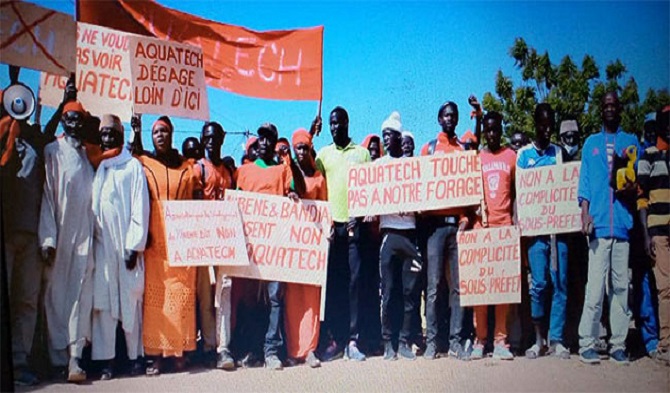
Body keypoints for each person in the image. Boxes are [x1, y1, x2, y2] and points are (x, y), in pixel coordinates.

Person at [1, 68, 66, 386]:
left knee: (26, 301)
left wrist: (65, 100)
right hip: (6, 231)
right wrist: (12, 81)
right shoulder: (4, 141)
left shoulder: (37, 143)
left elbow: (50, 127)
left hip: (30, 236)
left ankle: (20, 359)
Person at [236, 123, 306, 371]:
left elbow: (298, 190)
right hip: (252, 247)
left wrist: (293, 194)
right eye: (261, 138)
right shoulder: (244, 171)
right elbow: (236, 202)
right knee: (252, 300)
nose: (264, 143)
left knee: (275, 297)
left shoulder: (282, 170)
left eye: (269, 139)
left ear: (275, 143)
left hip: (276, 246)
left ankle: (272, 350)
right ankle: (253, 348)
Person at [577, 91, 640, 365]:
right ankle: (587, 343)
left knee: (620, 288)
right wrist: (585, 216)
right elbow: (585, 185)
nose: (610, 109)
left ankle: (617, 345)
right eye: (606, 106)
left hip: (623, 226)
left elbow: (636, 184)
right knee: (594, 288)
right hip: (599, 227)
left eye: (614, 105)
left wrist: (629, 187)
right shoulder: (591, 144)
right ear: (600, 111)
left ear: (620, 110)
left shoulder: (630, 142)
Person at [136, 116, 198, 375]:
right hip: (154, 240)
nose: (160, 135)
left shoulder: (187, 168)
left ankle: (178, 352)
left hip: (181, 240)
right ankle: (155, 355)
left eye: (164, 131)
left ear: (172, 134)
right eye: (156, 132)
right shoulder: (144, 164)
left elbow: (196, 201)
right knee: (156, 298)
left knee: (180, 295)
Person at [39, 100, 95, 382]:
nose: (75, 123)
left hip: (83, 238)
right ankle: (55, 358)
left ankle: (75, 359)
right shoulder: (53, 152)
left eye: (79, 119)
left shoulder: (86, 157)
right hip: (59, 236)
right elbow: (48, 196)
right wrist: (47, 238)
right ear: (62, 121)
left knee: (79, 296)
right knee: (56, 296)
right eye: (70, 118)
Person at [90, 114, 149, 380]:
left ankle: (135, 357)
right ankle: (106, 361)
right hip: (102, 247)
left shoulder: (132, 166)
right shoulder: (97, 165)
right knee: (103, 303)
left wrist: (134, 245)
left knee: (130, 302)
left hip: (126, 246)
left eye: (113, 133)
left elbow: (140, 205)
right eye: (104, 133)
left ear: (122, 136)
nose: (108, 137)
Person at [314, 107, 371, 362]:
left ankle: (354, 340)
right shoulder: (323, 155)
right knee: (335, 287)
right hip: (331, 230)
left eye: (338, 123)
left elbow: (371, 189)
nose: (334, 127)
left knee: (355, 283)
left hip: (354, 227)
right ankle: (336, 340)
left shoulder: (362, 154)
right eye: (331, 124)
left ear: (347, 123)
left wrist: (359, 216)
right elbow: (310, 180)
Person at [419, 101, 472, 361]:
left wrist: (465, 218)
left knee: (458, 288)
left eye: (454, 115)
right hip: (435, 228)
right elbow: (419, 187)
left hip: (457, 227)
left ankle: (455, 341)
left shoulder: (463, 150)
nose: (450, 119)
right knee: (433, 286)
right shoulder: (429, 149)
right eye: (446, 115)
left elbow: (470, 189)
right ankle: (432, 342)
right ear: (439, 118)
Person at [517, 103, 570, 360]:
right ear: (535, 124)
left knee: (559, 284)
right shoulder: (524, 156)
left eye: (550, 125)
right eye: (542, 124)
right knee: (538, 285)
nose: (546, 130)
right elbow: (520, 193)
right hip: (536, 234)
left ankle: (557, 338)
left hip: (557, 232)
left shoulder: (559, 154)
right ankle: (539, 340)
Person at [470, 111, 516, 361]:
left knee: (501, 290)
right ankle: (480, 340)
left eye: (495, 129)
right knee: (480, 289)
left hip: (504, 227)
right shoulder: (477, 158)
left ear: (501, 129)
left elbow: (520, 192)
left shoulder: (511, 157)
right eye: (487, 130)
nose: (491, 134)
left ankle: (500, 340)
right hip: (481, 229)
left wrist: (517, 222)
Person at [377, 112, 422, 361]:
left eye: (389, 135)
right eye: (383, 134)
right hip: (389, 235)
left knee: (409, 292)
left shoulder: (412, 166)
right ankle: (388, 343)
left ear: (398, 137)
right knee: (389, 290)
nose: (386, 139)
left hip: (410, 234)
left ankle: (404, 341)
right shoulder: (378, 168)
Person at [191, 121, 235, 370]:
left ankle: (224, 348)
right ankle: (209, 345)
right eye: (206, 137)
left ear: (222, 138)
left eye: (215, 137)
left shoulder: (228, 171)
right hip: (204, 241)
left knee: (224, 295)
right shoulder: (199, 169)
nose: (211, 141)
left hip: (226, 241)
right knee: (206, 297)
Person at [283, 128, 327, 368]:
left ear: (310, 150)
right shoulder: (289, 175)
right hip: (294, 247)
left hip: (313, 248)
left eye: (304, 148)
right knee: (292, 299)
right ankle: (293, 349)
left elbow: (325, 208)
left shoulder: (320, 178)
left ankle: (310, 349)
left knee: (311, 299)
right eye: (297, 148)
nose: (301, 152)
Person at [637, 106, 670, 366]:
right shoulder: (647, 156)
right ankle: (666, 343)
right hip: (658, 231)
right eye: (665, 122)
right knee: (665, 290)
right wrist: (647, 234)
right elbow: (641, 198)